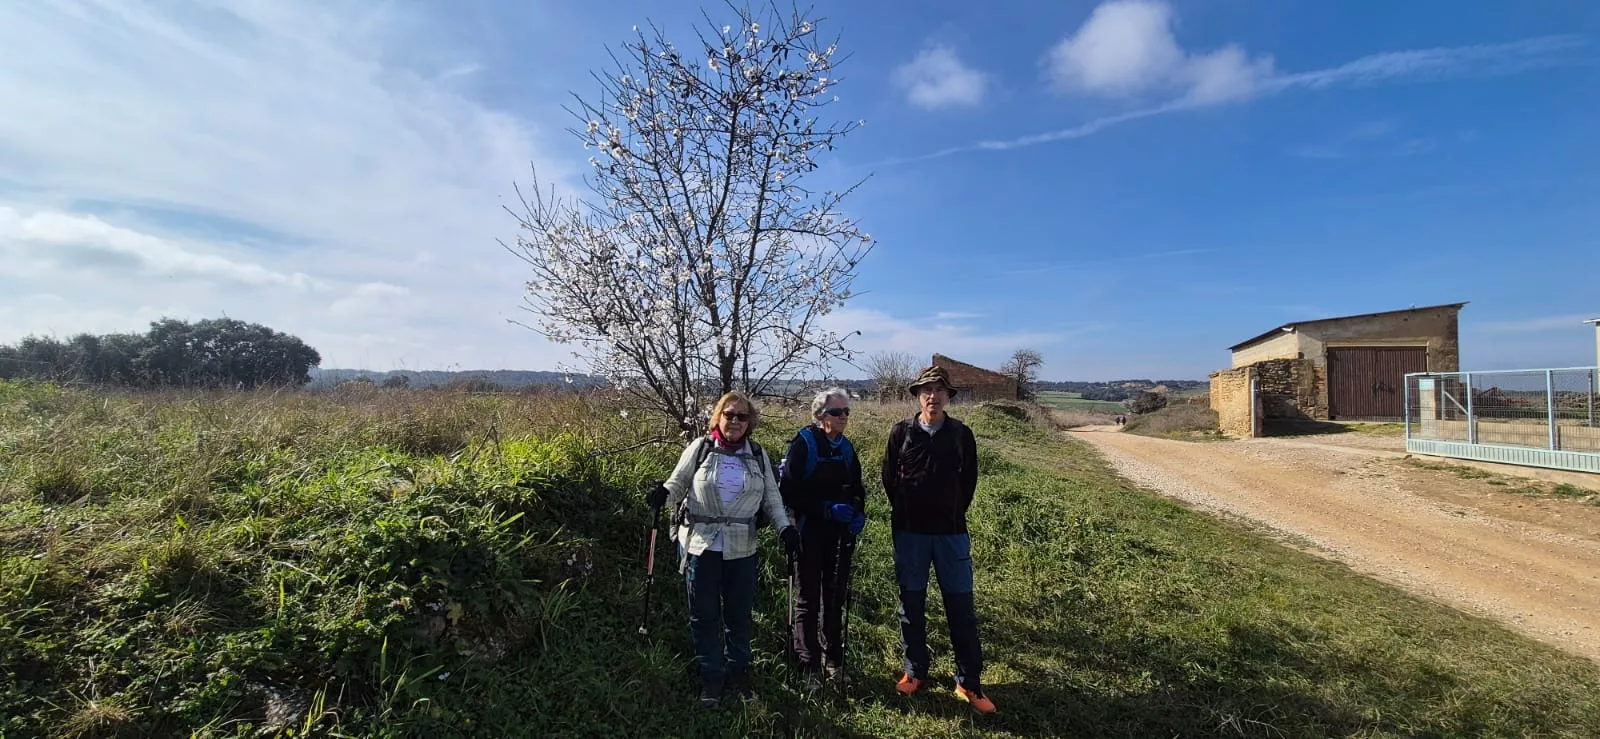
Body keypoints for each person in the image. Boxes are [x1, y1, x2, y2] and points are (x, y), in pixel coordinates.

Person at [648, 391, 802, 708]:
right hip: (701, 546)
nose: (734, 421)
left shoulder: (758, 456)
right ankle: (711, 678)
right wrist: (662, 494)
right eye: (728, 414)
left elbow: (773, 499)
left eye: (741, 416)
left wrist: (785, 528)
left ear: (750, 422)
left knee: (739, 616)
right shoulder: (701, 448)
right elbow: (678, 483)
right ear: (718, 416)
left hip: (742, 549)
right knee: (704, 616)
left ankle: (739, 674)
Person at [880, 365, 997, 714]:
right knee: (911, 608)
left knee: (961, 610)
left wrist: (951, 510)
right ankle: (914, 672)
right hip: (911, 534)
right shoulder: (900, 432)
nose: (933, 396)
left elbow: (969, 482)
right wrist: (907, 511)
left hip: (951, 535)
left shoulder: (962, 434)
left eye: (940, 390)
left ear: (948, 397)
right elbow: (889, 478)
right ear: (918, 396)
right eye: (927, 390)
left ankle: (969, 683)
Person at [779, 387, 867, 689]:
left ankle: (834, 662)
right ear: (820, 416)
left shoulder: (846, 447)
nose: (843, 417)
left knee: (834, 596)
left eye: (846, 412)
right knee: (808, 599)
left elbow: (856, 487)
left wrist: (857, 513)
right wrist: (826, 509)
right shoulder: (804, 444)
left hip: (838, 533)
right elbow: (788, 491)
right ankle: (809, 665)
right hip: (808, 529)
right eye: (836, 412)